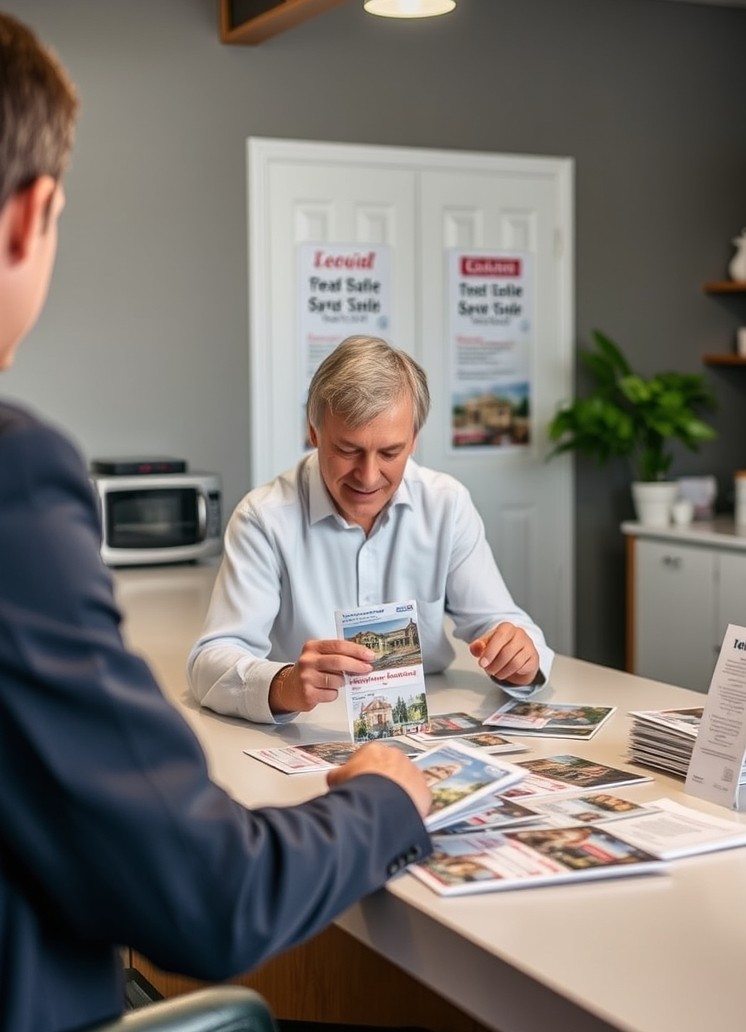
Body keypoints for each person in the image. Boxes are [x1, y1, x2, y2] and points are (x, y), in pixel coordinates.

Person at [0, 14, 433, 1032]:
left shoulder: (443, 506)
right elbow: (207, 900)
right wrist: (380, 798)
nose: (368, 473)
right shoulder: (16, 476)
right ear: (33, 215)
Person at [187, 335, 554, 725]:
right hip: (307, 727)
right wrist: (284, 683)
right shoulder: (263, 518)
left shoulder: (446, 504)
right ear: (314, 432)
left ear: (413, 440)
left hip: (426, 720)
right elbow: (211, 660)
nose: (368, 476)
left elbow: (499, 621)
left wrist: (520, 658)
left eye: (390, 453)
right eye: (348, 450)